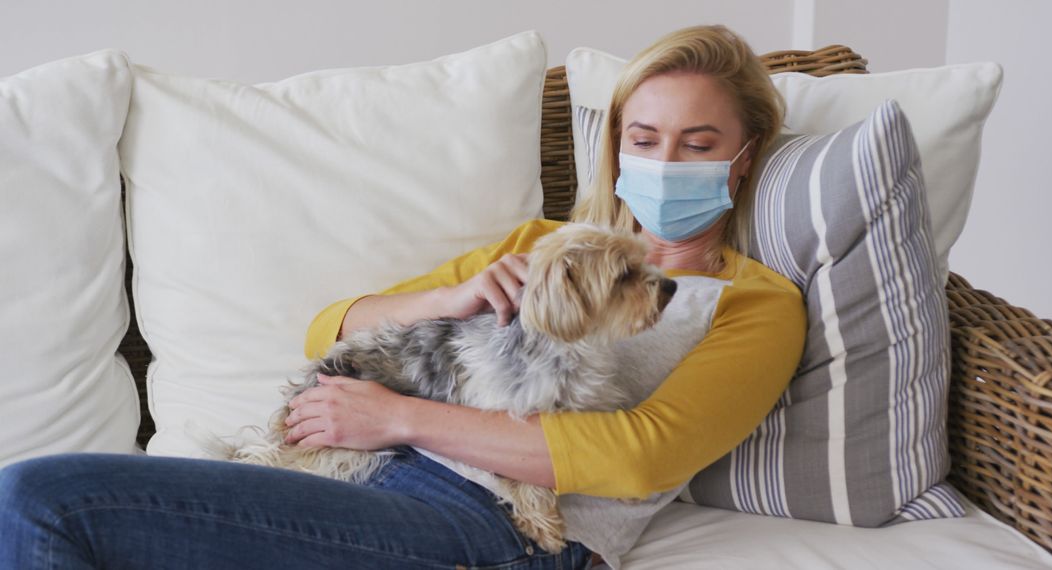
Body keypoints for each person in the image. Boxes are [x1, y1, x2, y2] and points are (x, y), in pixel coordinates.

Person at [0, 24, 805, 570]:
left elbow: (643, 454)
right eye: (643, 138)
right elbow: (328, 324)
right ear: (617, 147)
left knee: (42, 498)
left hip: (506, 526)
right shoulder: (538, 247)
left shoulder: (756, 301)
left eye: (698, 144)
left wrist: (397, 418)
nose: (666, 162)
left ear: (742, 157)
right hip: (365, 477)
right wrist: (448, 300)